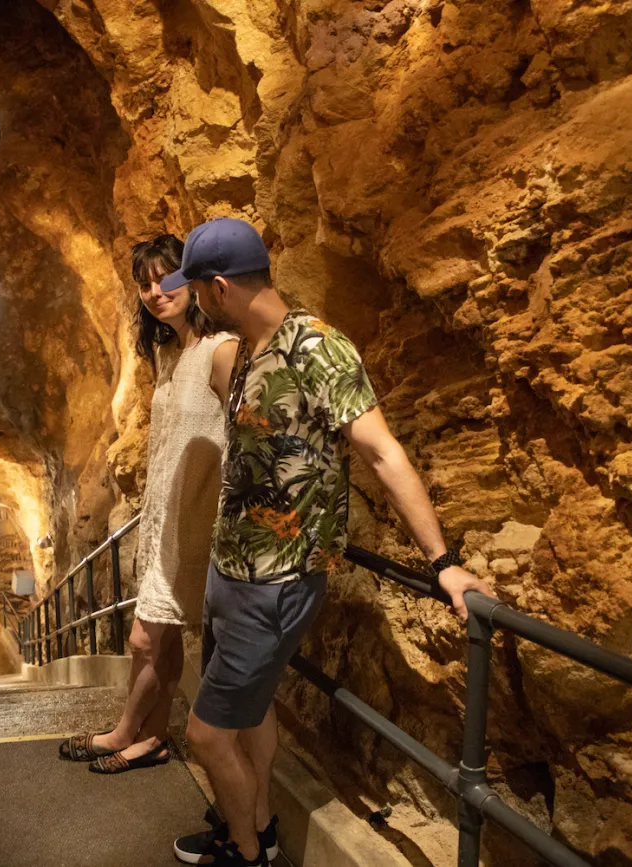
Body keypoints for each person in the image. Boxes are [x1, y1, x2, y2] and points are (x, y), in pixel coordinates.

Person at [165, 218, 495, 866]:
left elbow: (383, 452)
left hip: (276, 583)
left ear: (220, 287)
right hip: (233, 571)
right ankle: (258, 827)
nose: (195, 301)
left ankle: (245, 854)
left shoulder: (318, 348)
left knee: (205, 734)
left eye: (197, 289)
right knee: (251, 712)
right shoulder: (246, 351)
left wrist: (444, 563)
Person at [57, 234, 239, 774]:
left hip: (198, 520)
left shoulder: (221, 349)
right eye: (145, 284)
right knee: (164, 639)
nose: (156, 292)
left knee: (143, 638)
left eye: (167, 277)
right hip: (166, 520)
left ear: (194, 279)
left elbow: (248, 433)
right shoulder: (168, 353)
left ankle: (122, 732)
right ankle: (153, 739)